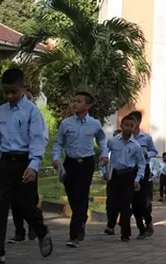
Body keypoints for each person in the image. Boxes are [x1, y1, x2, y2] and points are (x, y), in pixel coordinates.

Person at [0, 69, 53, 263]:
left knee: (26, 207)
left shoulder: (32, 111)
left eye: (13, 91)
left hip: (25, 164)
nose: (10, 96)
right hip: (3, 164)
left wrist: (34, 165)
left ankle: (41, 230)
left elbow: (38, 139)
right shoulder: (0, 112)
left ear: (23, 88)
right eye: (6, 92)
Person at [52, 91, 108, 248]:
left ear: (87, 105)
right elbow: (58, 143)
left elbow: (102, 140)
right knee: (72, 197)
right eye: (73, 101)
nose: (74, 104)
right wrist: (56, 157)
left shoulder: (95, 124)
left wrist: (104, 154)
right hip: (69, 163)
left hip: (87, 163)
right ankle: (81, 218)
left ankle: (74, 235)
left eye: (78, 101)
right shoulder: (66, 123)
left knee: (81, 196)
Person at [105, 115, 146, 242]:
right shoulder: (112, 142)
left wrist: (137, 179)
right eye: (126, 125)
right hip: (114, 175)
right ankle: (111, 223)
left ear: (134, 128)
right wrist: (104, 172)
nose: (128, 128)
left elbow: (141, 164)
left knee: (125, 205)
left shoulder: (136, 146)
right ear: (121, 126)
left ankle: (125, 234)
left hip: (128, 176)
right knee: (112, 204)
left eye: (131, 126)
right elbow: (104, 157)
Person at [8, 89, 39, 245]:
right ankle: (19, 231)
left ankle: (35, 225)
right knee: (14, 200)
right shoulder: (7, 115)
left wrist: (33, 163)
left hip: (29, 161)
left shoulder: (35, 117)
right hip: (10, 162)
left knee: (29, 200)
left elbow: (41, 139)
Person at [127, 111, 157, 239]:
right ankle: (139, 227)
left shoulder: (146, 138)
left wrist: (146, 154)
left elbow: (154, 151)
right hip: (128, 170)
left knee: (140, 201)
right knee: (131, 200)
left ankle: (147, 222)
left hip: (143, 170)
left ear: (138, 122)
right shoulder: (124, 138)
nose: (130, 125)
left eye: (133, 121)